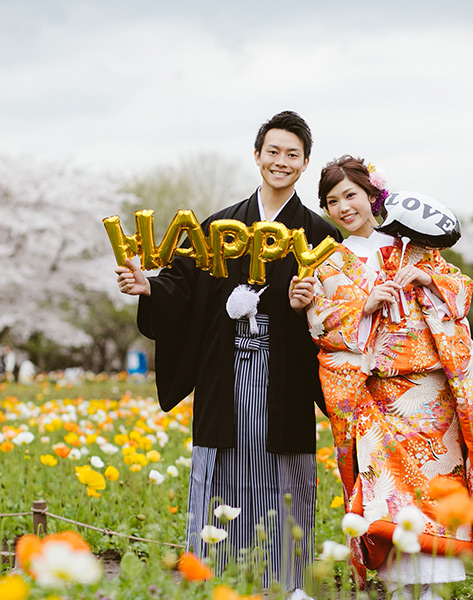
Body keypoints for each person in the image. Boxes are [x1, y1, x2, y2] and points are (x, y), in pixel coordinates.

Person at [115, 111, 340, 595]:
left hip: (286, 379)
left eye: (292, 155)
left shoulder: (320, 235)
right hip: (226, 372)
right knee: (222, 470)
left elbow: (342, 310)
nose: (281, 162)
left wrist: (308, 305)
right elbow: (183, 288)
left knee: (284, 474)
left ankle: (286, 582)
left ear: (304, 165)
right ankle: (215, 579)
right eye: (273, 151)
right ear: (256, 155)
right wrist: (148, 288)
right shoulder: (219, 226)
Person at [288, 156, 473, 599]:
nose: (343, 207)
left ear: (372, 195)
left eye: (350, 195)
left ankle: (433, 591)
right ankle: (397, 588)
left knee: (435, 492)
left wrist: (428, 281)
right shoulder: (329, 263)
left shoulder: (412, 244)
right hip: (374, 397)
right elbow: (321, 328)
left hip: (431, 396)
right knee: (386, 496)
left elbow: (460, 292)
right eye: (332, 201)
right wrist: (365, 307)